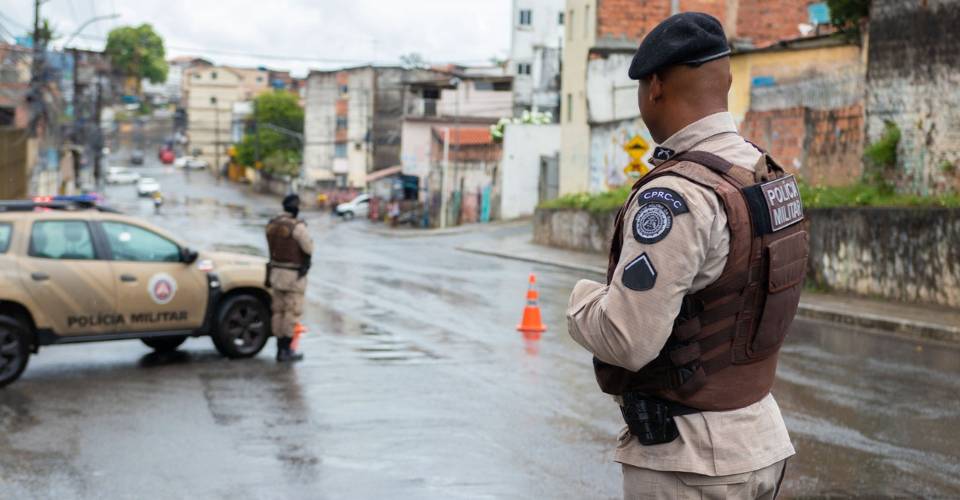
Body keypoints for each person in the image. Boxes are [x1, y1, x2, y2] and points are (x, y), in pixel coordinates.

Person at [566, 12, 809, 500]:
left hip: (690, 465)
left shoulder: (677, 196)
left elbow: (627, 340)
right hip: (758, 439)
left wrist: (581, 301)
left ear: (654, 86)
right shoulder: (764, 174)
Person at [265, 194, 314, 362]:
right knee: (291, 312)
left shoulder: (272, 225)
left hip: (275, 273)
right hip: (293, 275)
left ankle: (279, 349)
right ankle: (286, 350)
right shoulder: (297, 228)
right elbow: (308, 248)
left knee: (277, 311)